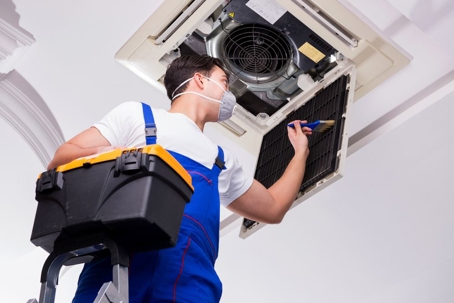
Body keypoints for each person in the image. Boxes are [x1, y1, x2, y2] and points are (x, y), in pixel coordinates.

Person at [48, 55, 312, 303]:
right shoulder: (139, 117)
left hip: (191, 280)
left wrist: (300, 152)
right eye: (223, 82)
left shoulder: (221, 160)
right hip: (117, 266)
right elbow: (61, 159)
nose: (228, 95)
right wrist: (119, 155)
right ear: (200, 80)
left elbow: (274, 208)